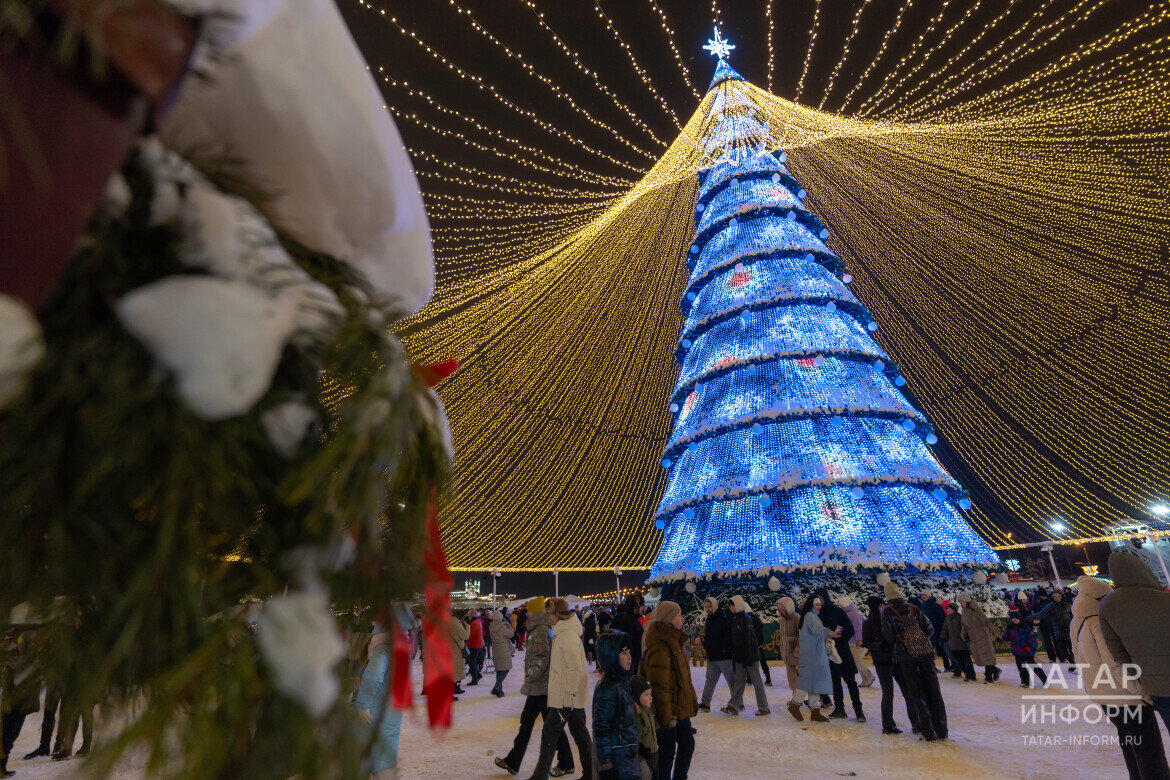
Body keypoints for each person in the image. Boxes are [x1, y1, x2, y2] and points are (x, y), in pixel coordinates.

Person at [1074, 573, 1170, 780]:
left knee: (1130, 743)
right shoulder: (1098, 624)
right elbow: (1115, 664)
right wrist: (1143, 693)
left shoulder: (1079, 620)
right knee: (1148, 749)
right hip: (1125, 696)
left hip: (1105, 696)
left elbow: (1078, 658)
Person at [496, 598, 573, 777]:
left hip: (541, 686)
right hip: (539, 686)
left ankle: (566, 762)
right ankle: (513, 761)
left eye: (528, 610)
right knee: (531, 723)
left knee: (545, 726)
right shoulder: (538, 628)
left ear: (535, 611)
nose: (526, 613)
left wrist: (530, 676)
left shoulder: (540, 630)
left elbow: (541, 657)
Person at [1100, 550, 1170, 734]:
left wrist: (1141, 677)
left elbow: (1117, 652)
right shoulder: (1165, 598)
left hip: (1157, 687)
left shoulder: (1108, 605)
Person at [526, 599, 596, 780]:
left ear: (558, 614)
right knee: (580, 734)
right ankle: (591, 774)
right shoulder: (563, 633)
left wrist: (568, 695)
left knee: (550, 733)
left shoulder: (566, 636)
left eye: (550, 614)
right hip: (570, 695)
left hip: (566, 696)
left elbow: (574, 669)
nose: (548, 617)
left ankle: (539, 776)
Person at [882, 581, 947, 741]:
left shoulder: (887, 611)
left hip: (906, 658)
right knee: (934, 692)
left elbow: (889, 636)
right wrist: (918, 641)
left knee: (917, 693)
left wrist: (903, 643)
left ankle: (928, 732)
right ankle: (942, 731)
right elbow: (929, 629)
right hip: (925, 654)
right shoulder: (913, 608)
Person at [642, 601, 697, 780]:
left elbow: (682, 678)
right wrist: (666, 717)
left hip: (678, 708)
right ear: (668, 619)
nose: (682, 618)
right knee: (666, 754)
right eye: (678, 615)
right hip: (668, 713)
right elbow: (658, 687)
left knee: (687, 744)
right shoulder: (661, 647)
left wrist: (690, 699)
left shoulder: (674, 641)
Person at [861, 595, 916, 735]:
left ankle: (917, 724)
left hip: (897, 659)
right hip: (882, 663)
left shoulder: (889, 619)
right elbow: (866, 641)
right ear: (876, 607)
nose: (883, 608)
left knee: (908, 692)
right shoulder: (868, 623)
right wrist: (880, 647)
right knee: (888, 693)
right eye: (881, 606)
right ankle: (888, 725)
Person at [355, 623, 404, 779]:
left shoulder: (383, 650)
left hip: (375, 714)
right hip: (392, 713)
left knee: (371, 761)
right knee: (383, 762)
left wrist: (362, 705)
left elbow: (373, 676)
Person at [592, 631, 639, 780]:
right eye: (624, 653)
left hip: (627, 754)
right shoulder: (607, 687)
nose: (629, 657)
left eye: (629, 652)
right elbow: (601, 727)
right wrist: (606, 764)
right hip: (616, 758)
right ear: (611, 656)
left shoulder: (622, 680)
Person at [815, 589, 863, 722]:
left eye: (820, 597)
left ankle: (858, 711)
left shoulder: (837, 611)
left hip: (842, 653)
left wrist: (839, 641)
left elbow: (850, 629)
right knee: (835, 683)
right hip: (827, 654)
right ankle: (839, 709)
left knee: (850, 682)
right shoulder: (816, 614)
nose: (818, 600)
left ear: (825, 597)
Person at [786, 594, 835, 723]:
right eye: (817, 604)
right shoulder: (809, 616)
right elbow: (817, 629)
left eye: (820, 605)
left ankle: (815, 711)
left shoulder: (811, 615)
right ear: (811, 605)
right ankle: (795, 704)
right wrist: (830, 632)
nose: (819, 607)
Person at [724, 596, 769, 716]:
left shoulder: (746, 619)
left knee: (757, 682)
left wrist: (749, 657)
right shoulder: (735, 619)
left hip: (750, 657)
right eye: (730, 606)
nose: (731, 608)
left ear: (738, 605)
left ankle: (764, 707)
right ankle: (734, 706)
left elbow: (750, 640)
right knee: (738, 682)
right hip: (739, 657)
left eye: (733, 606)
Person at [697, 597, 734, 713]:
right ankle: (705, 703)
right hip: (712, 656)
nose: (708, 609)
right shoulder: (709, 619)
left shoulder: (723, 618)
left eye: (710, 606)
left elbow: (728, 636)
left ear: (715, 606)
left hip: (724, 657)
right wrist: (705, 645)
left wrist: (725, 649)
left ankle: (737, 703)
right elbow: (710, 637)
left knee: (731, 681)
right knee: (710, 680)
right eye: (706, 607)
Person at [957, 592, 1000, 683]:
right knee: (980, 657)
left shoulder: (976, 609)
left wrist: (996, 632)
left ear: (967, 601)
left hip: (982, 635)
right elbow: (964, 625)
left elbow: (986, 621)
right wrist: (963, 635)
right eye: (960, 602)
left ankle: (988, 677)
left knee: (987, 656)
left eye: (962, 602)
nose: (961, 604)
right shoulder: (964, 612)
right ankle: (995, 670)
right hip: (973, 637)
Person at [1002, 609, 1048, 689]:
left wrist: (1028, 647)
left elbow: (1032, 639)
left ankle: (1044, 680)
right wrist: (1001, 639)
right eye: (1013, 618)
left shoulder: (1025, 627)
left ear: (1019, 618)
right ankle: (1025, 682)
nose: (1014, 620)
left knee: (1033, 666)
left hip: (1027, 651)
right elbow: (1007, 637)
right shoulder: (1009, 627)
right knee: (1021, 668)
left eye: (1016, 618)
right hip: (1017, 651)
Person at [1033, 590, 1076, 669]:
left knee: (1069, 646)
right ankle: (1069, 662)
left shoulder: (1067, 605)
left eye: (1058, 596)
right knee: (1059, 646)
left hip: (1065, 628)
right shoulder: (1049, 605)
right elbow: (1040, 614)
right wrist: (1030, 618)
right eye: (1054, 597)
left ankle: (1069, 660)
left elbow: (1073, 615)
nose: (1056, 598)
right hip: (1054, 628)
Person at [841, 597, 875, 687]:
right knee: (856, 661)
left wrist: (860, 639)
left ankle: (869, 677)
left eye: (841, 605)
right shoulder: (848, 613)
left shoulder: (854, 614)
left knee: (857, 660)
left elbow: (858, 628)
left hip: (858, 642)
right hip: (852, 642)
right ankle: (865, 679)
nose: (840, 607)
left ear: (845, 605)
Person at [940, 603, 976, 681]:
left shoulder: (960, 617)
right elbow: (945, 629)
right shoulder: (947, 618)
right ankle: (963, 673)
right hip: (953, 643)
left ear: (954, 609)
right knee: (958, 660)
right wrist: (943, 637)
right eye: (947, 608)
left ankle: (971, 675)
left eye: (949, 608)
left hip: (963, 643)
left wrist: (967, 639)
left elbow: (966, 629)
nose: (947, 610)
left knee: (966, 660)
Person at [611, 596, 644, 676]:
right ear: (634, 606)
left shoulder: (634, 619)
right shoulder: (629, 621)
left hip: (632, 658)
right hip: (630, 659)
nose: (642, 608)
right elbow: (629, 641)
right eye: (640, 605)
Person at [919, 591, 950, 673]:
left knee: (942, 650)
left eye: (925, 595)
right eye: (922, 595)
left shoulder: (936, 606)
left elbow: (943, 619)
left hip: (937, 631)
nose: (923, 596)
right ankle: (933, 667)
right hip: (928, 631)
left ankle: (947, 666)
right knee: (930, 650)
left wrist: (942, 631)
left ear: (929, 596)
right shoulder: (923, 605)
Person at [775, 597, 800, 693]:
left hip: (798, 654)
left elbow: (802, 636)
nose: (781, 611)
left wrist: (797, 649)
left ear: (788, 608)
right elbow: (782, 636)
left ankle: (815, 698)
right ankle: (796, 697)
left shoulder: (797, 618)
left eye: (783, 609)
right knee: (791, 678)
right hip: (787, 654)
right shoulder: (781, 620)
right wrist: (782, 649)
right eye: (779, 609)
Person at [490, 609, 516, 697]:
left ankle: (499, 690)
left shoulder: (491, 626)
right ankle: (496, 687)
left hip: (495, 650)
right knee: (506, 669)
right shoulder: (502, 627)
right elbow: (511, 634)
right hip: (503, 650)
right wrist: (509, 626)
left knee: (499, 670)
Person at [449, 612, 470, 698]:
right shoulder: (456, 624)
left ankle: (456, 688)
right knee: (455, 671)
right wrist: (467, 626)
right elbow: (465, 636)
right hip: (456, 651)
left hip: (450, 649)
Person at [466, 610, 486, 686]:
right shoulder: (478, 621)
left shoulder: (474, 623)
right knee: (471, 661)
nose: (468, 618)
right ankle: (477, 675)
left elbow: (469, 635)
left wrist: (466, 627)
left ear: (471, 616)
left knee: (471, 662)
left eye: (469, 616)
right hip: (477, 645)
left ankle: (475, 679)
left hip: (474, 645)